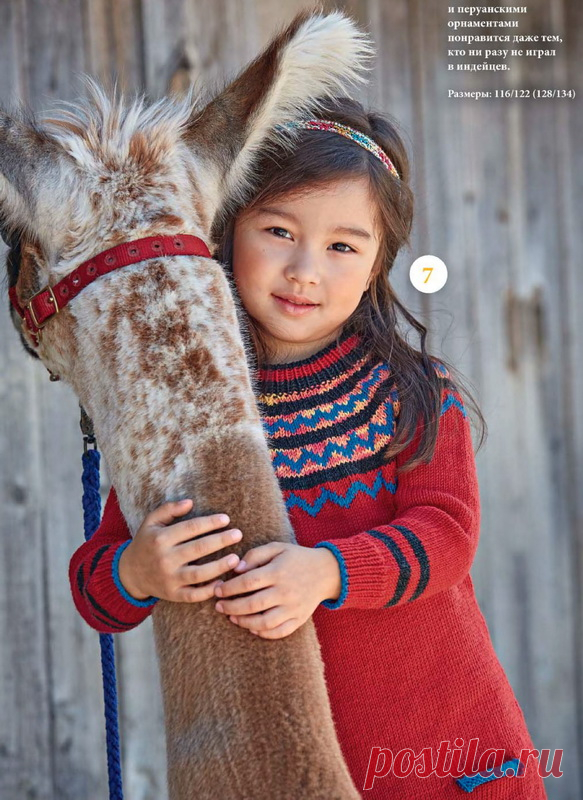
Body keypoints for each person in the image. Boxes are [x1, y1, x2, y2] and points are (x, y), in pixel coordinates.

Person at [68, 98, 547, 798]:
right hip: (281, 768)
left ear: (379, 260)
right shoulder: (192, 413)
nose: (303, 269)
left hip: (441, 748)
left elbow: (446, 536)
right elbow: (94, 586)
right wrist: (140, 570)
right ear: (230, 231)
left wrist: (326, 571)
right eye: (278, 230)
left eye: (342, 246)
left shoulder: (406, 391)